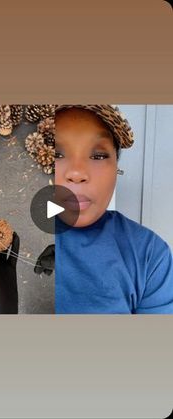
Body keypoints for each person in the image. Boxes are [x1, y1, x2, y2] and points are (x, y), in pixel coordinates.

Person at [36, 104, 173, 314]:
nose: (77, 173)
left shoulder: (149, 254)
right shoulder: (12, 234)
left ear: (117, 167)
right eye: (57, 153)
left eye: (99, 156)